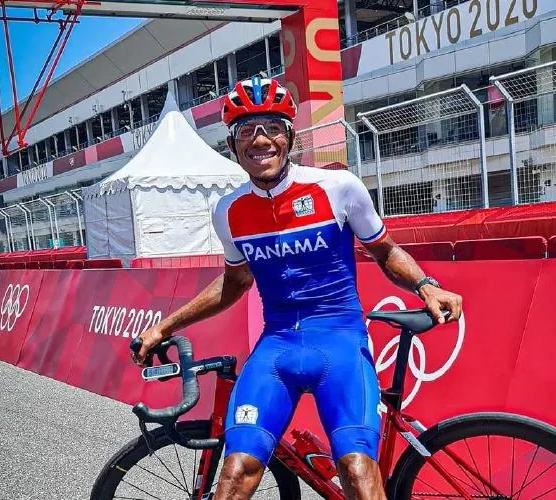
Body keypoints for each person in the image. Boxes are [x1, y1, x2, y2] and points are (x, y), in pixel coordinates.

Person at [133, 76, 463, 500]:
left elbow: (386, 251)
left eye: (272, 127)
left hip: (340, 340)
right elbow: (235, 282)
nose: (260, 140)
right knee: (236, 470)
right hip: (277, 347)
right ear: (232, 145)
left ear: (289, 137)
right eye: (246, 131)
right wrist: (165, 326)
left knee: (357, 470)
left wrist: (426, 285)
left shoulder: (338, 188)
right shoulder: (228, 211)